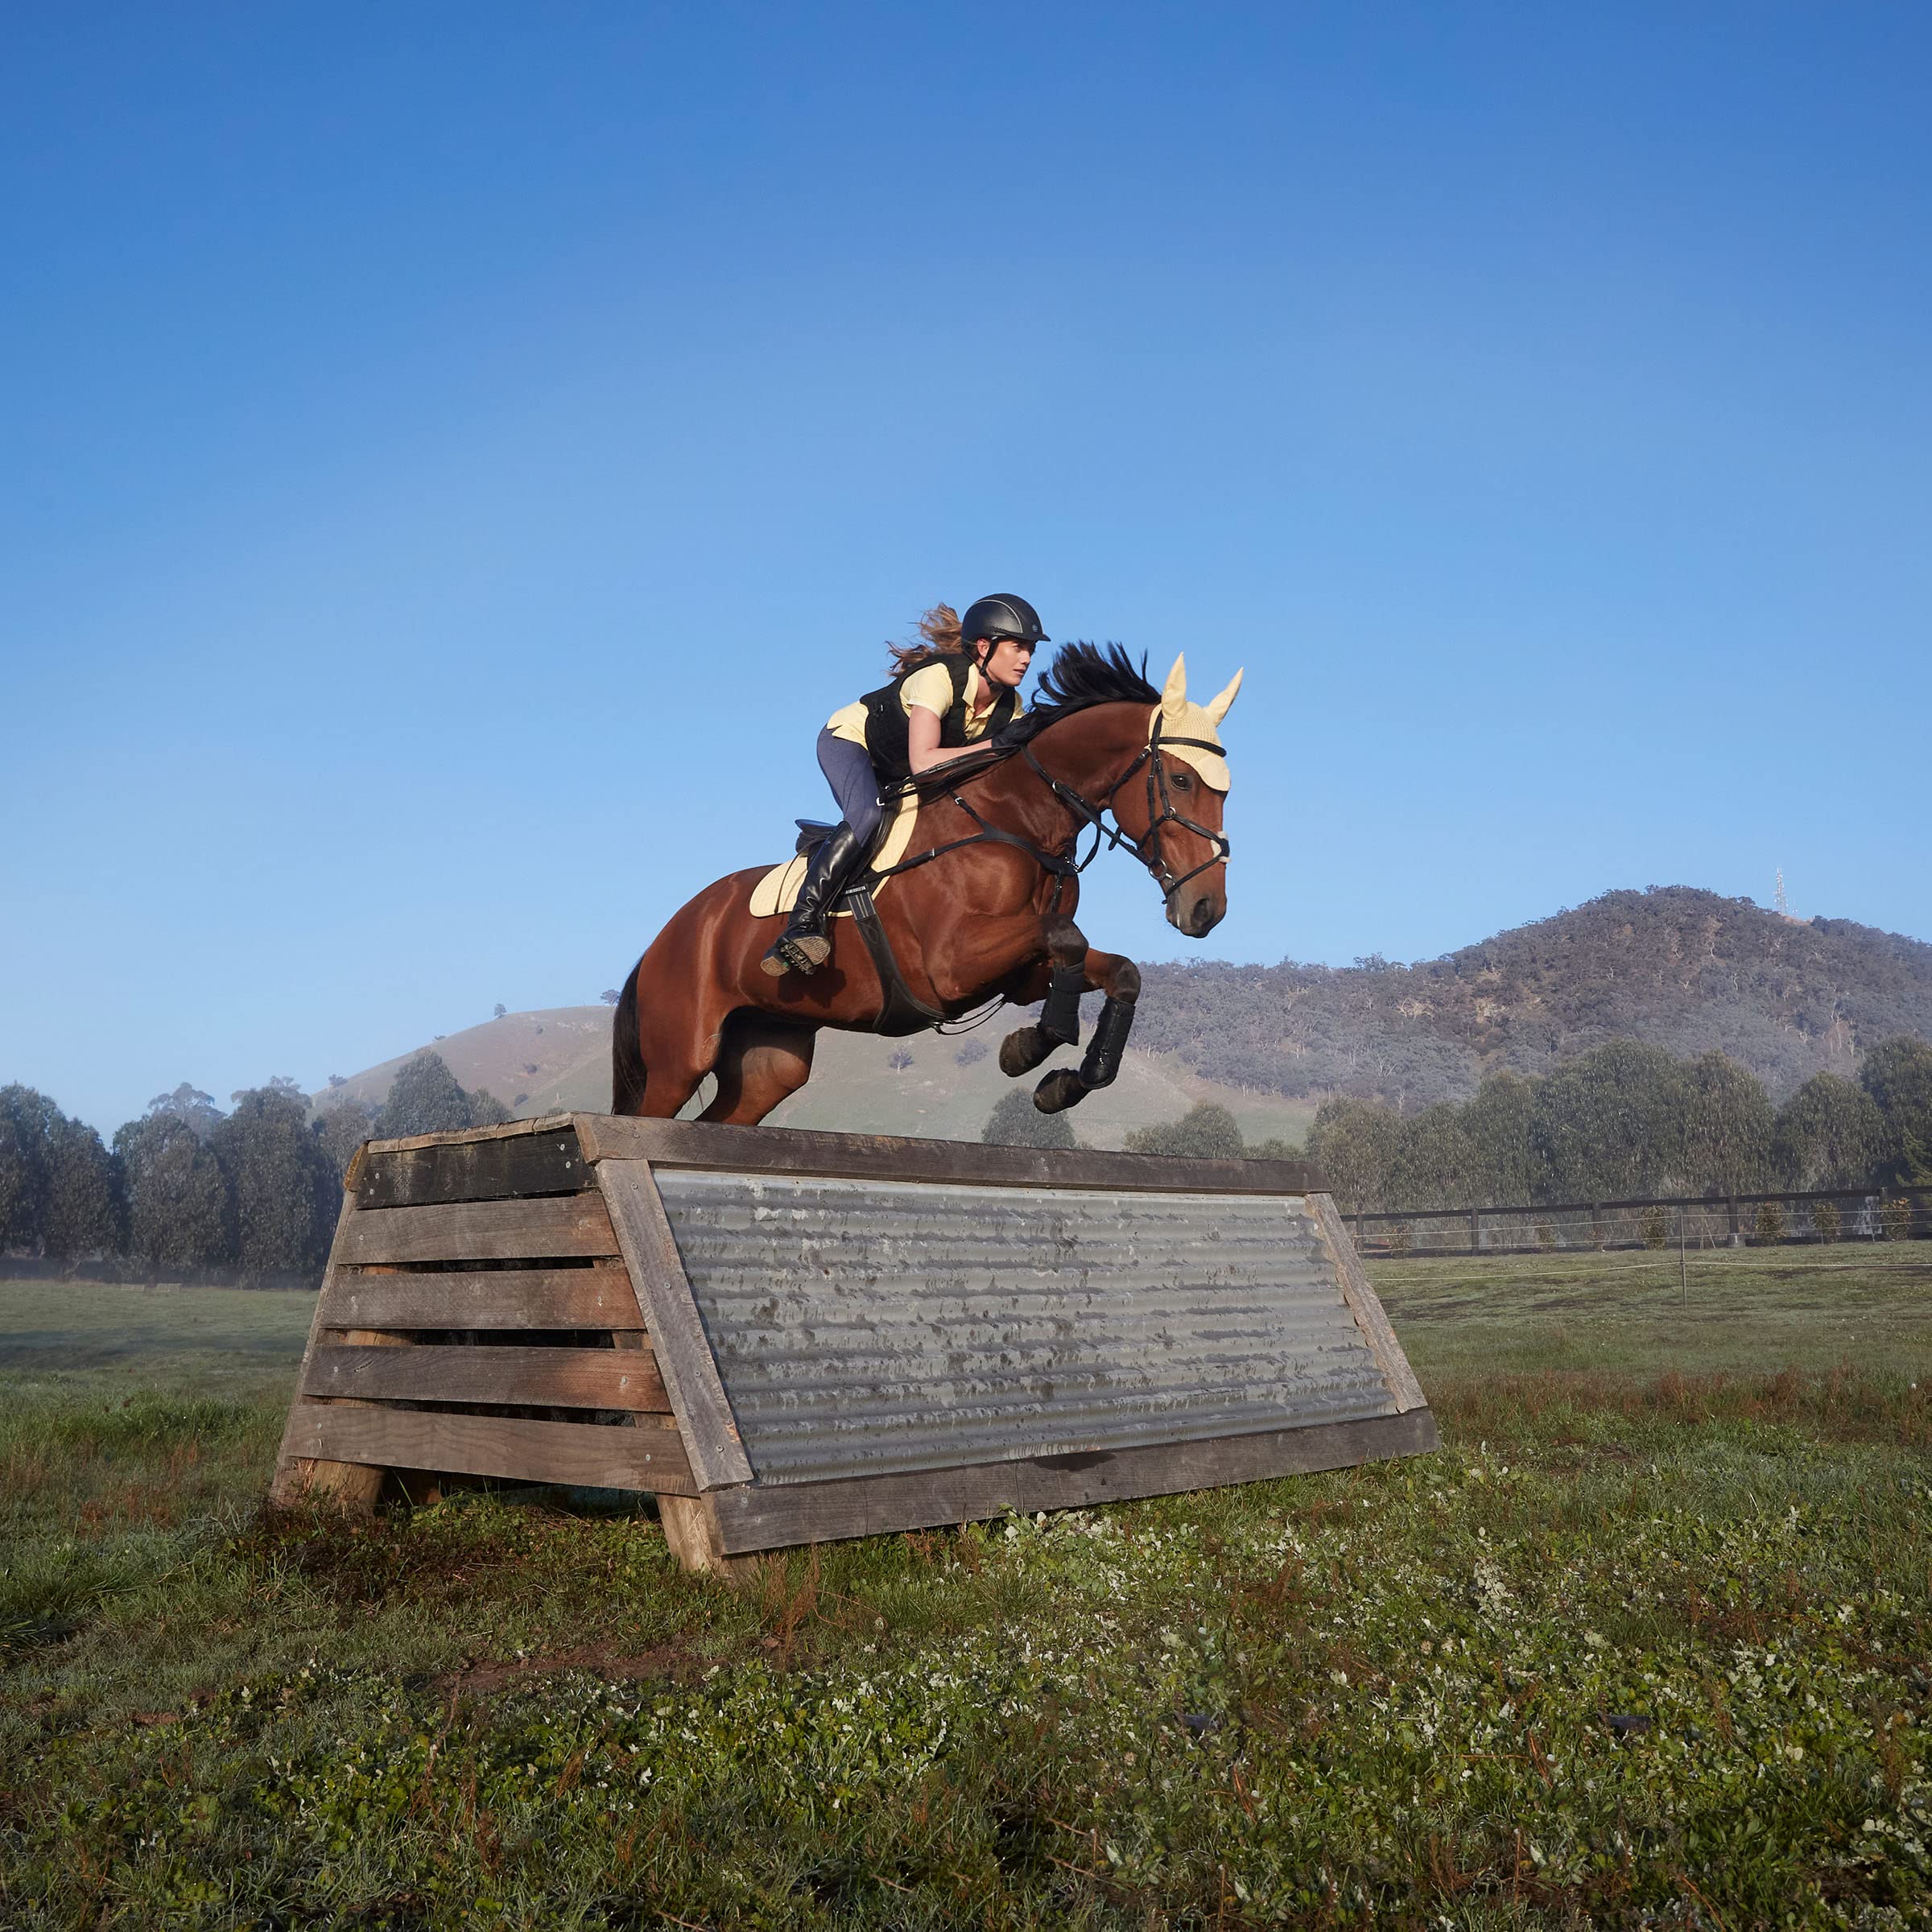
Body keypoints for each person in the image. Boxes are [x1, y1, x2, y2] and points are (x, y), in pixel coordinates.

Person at [761, 593, 1047, 977]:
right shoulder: (938, 679)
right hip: (852, 742)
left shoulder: (1011, 708)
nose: (1027, 658)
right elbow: (925, 762)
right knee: (867, 813)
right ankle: (803, 921)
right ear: (984, 646)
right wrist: (997, 744)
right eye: (1018, 647)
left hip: (904, 769)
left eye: (1030, 649)